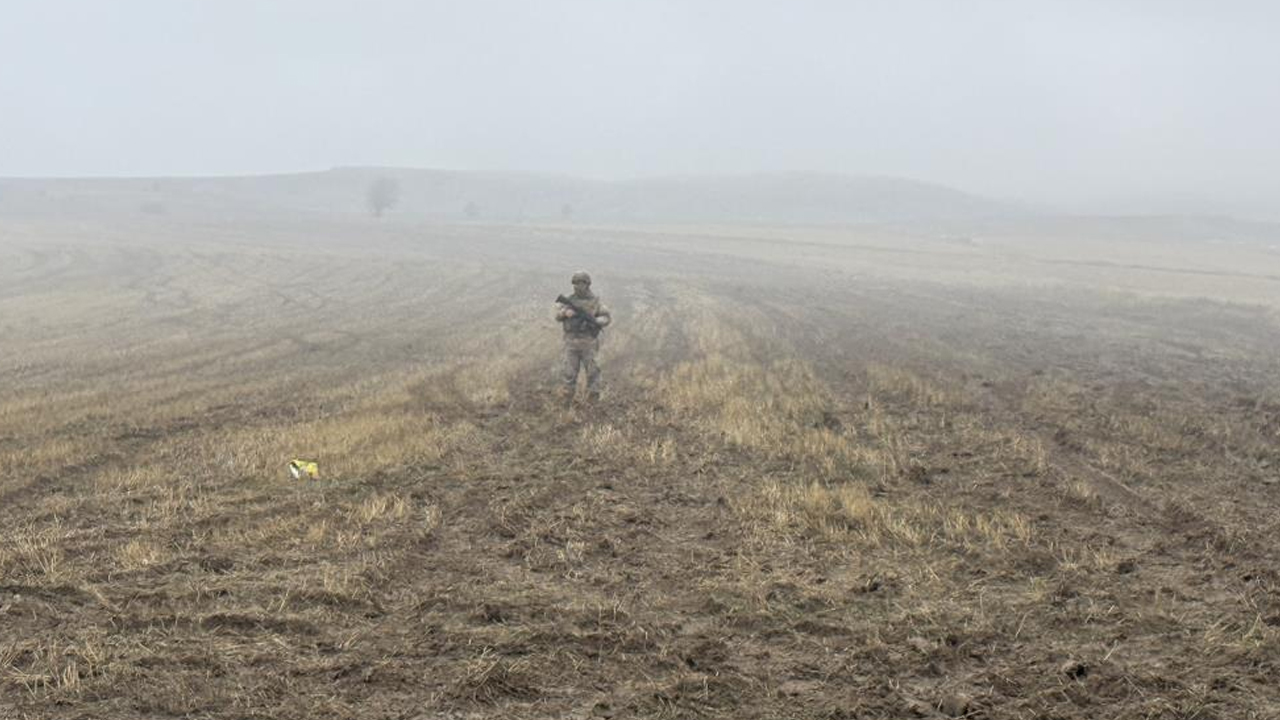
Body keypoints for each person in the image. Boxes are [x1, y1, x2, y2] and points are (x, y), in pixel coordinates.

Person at [555, 271, 612, 405]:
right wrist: (565, 313)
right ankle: (567, 398)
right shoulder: (569, 301)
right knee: (569, 371)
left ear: (587, 284)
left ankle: (593, 398)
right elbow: (557, 316)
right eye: (575, 283)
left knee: (592, 370)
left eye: (580, 283)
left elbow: (607, 317)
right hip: (571, 341)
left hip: (588, 342)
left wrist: (595, 320)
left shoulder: (595, 302)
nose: (577, 286)